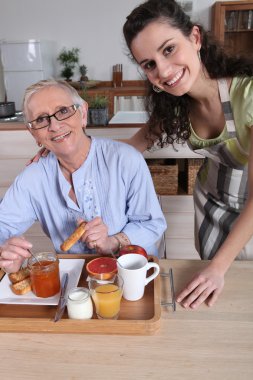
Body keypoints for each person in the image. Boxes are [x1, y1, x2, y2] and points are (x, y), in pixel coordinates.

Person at [122, 0, 253, 309]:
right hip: (210, 205)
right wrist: (64, 151)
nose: (163, 71)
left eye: (168, 49)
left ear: (195, 38)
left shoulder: (247, 95)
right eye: (149, 64)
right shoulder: (175, 106)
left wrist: (218, 267)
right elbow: (129, 149)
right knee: (219, 305)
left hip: (248, 209)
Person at [0, 79, 166, 274]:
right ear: (34, 133)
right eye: (41, 120)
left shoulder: (126, 159)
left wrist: (112, 242)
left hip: (135, 274)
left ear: (83, 114)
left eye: (63, 111)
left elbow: (151, 223)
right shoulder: (33, 178)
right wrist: (4, 250)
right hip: (74, 281)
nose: (54, 125)